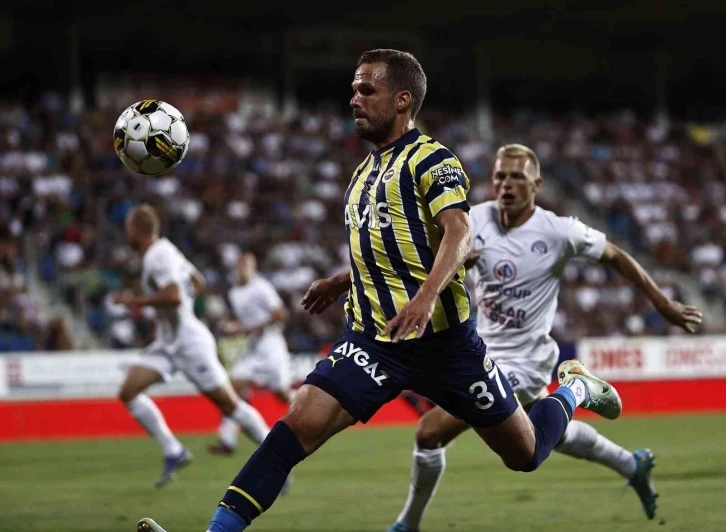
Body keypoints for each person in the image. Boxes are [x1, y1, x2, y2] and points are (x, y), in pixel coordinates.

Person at [137, 49, 621, 532]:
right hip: (373, 341)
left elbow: (459, 232)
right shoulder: (361, 175)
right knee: (296, 427)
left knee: (525, 453)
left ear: (402, 100)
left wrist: (426, 296)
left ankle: (576, 388)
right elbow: (389, 249)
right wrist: (341, 279)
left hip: (446, 346)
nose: (355, 99)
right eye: (354, 89)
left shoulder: (433, 159)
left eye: (367, 89)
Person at [385, 144, 704, 531]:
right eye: (500, 176)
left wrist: (663, 303)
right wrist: (455, 260)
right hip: (482, 354)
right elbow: (426, 255)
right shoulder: (473, 220)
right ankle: (630, 464)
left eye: (517, 177)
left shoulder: (559, 231)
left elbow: (616, 255)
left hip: (527, 362)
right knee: (548, 434)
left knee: (431, 432)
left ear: (536, 185)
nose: (506, 184)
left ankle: (407, 524)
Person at [112, 205, 272, 487]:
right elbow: (198, 281)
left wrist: (134, 301)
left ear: (135, 230)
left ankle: (277, 452)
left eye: (127, 229)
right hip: (168, 342)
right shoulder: (167, 250)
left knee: (229, 405)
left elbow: (174, 297)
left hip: (189, 343)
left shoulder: (158, 255)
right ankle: (174, 451)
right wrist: (178, 301)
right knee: (128, 391)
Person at [209, 252, 293, 455]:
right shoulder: (234, 292)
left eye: (246, 266)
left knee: (283, 395)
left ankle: (315, 410)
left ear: (252, 268)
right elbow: (244, 319)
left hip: (271, 347)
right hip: (253, 350)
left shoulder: (261, 287)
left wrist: (252, 328)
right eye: (240, 266)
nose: (242, 269)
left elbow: (281, 314)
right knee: (232, 389)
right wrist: (231, 326)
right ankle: (228, 441)